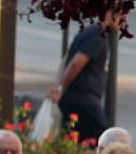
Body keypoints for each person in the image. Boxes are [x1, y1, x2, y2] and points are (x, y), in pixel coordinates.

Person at [50, 9, 123, 144]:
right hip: (84, 103)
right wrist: (60, 88)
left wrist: (58, 86)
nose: (123, 20)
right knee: (108, 142)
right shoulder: (98, 34)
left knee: (77, 144)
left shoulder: (87, 31)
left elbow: (66, 60)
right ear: (110, 13)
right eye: (121, 15)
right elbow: (76, 63)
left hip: (75, 101)